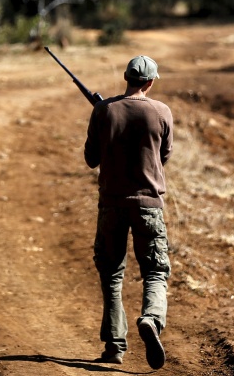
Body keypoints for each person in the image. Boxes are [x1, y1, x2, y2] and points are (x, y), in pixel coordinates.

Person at [84, 54, 174, 370]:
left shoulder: (103, 111)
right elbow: (163, 156)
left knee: (111, 274)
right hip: (149, 205)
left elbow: (91, 159)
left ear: (127, 78)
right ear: (150, 82)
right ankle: (151, 319)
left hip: (111, 206)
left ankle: (114, 346)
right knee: (155, 271)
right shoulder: (162, 112)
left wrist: (103, 121)